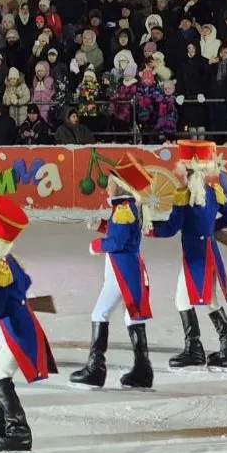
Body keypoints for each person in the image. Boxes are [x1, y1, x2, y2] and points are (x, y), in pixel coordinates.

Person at [0, 195, 55, 452]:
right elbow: (25, 282)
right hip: (13, 330)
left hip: (15, 332)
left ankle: (18, 431)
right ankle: (4, 423)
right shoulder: (5, 261)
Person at [147, 140, 227, 370]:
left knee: (184, 299)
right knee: (209, 300)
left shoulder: (184, 196)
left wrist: (148, 227)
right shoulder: (212, 192)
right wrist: (212, 227)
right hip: (208, 253)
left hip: (195, 258)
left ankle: (195, 349)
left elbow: (170, 228)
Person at [75, 155, 155, 389]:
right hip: (128, 268)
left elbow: (118, 242)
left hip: (120, 269)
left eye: (110, 182)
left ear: (121, 185)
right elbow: (122, 234)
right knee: (131, 316)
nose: (106, 186)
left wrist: (96, 245)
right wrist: (100, 225)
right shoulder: (128, 207)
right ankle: (143, 369)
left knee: (100, 312)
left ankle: (95, 368)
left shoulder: (122, 209)